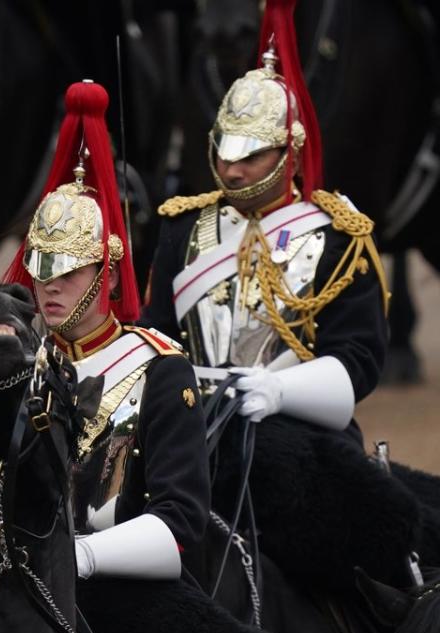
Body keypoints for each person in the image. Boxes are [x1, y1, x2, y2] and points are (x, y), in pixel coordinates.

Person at [139, 0, 421, 592]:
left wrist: (279, 388)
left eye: (251, 156)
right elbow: (155, 340)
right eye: (224, 153)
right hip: (193, 439)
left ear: (288, 150)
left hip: (301, 440)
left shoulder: (340, 237)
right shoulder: (181, 229)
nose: (233, 170)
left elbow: (359, 363)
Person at [3, 80, 210, 585]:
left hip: (120, 581)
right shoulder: (15, 357)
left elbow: (180, 523)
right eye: (42, 269)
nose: (49, 287)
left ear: (109, 273)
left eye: (70, 272)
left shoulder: (161, 369)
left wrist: (86, 557)